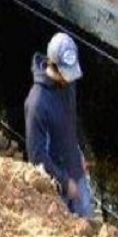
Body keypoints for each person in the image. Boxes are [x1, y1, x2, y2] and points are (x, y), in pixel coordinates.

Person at [24, 32, 94, 219]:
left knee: (87, 218)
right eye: (66, 74)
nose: (70, 79)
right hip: (56, 186)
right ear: (53, 65)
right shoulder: (37, 103)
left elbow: (72, 119)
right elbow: (37, 155)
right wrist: (65, 182)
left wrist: (80, 154)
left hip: (75, 170)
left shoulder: (68, 84)